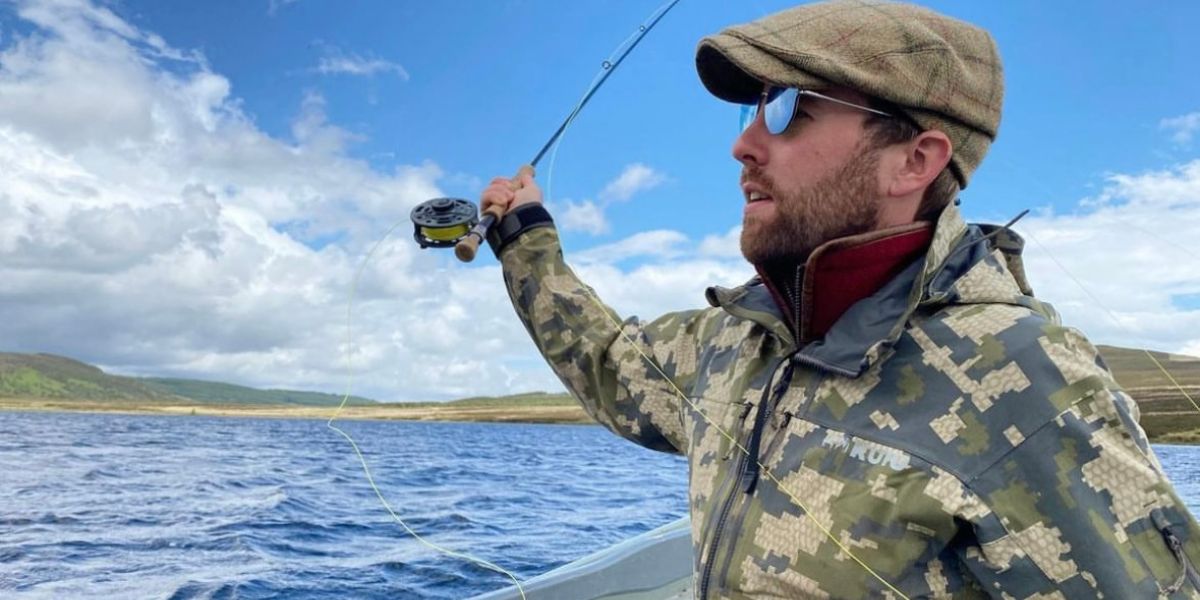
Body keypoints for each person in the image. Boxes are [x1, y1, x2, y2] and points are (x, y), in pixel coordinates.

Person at [480, 0, 1200, 597]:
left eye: (790, 109)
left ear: (914, 161)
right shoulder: (739, 340)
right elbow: (610, 364)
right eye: (750, 113)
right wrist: (524, 234)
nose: (745, 146)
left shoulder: (1030, 382)